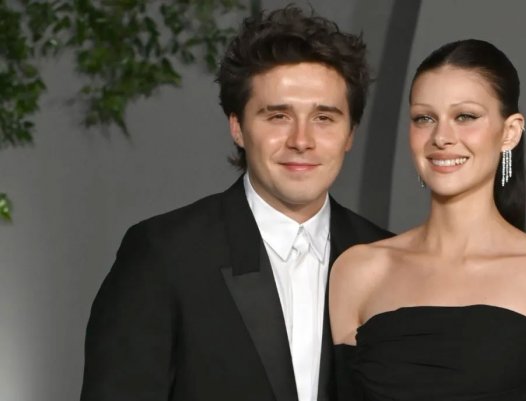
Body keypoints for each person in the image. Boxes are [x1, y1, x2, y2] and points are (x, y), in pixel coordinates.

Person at [80, 6, 391, 401]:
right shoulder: (163, 255)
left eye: (324, 118)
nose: (302, 140)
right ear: (238, 127)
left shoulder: (388, 261)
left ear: (350, 134)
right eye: (278, 116)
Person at [330, 39, 526, 401]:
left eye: (465, 116)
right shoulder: (359, 271)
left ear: (510, 132)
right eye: (424, 118)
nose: (441, 137)